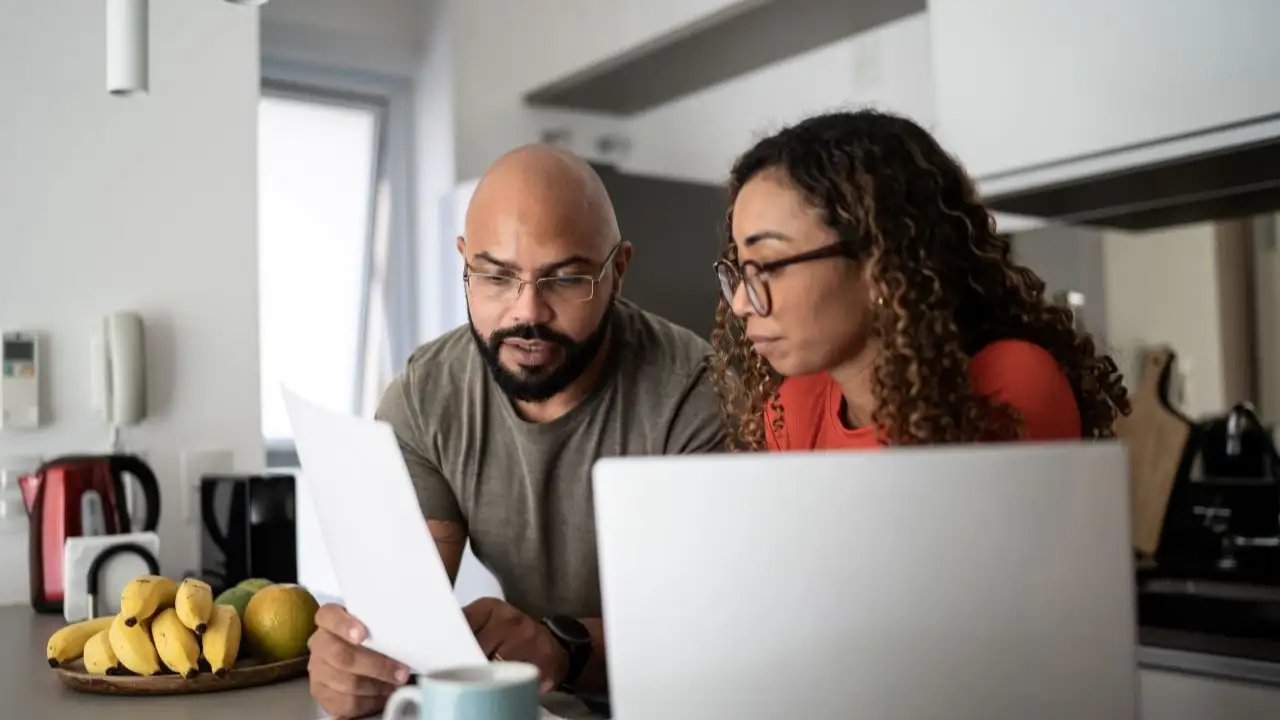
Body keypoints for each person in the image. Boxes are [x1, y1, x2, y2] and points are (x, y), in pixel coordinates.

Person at [307, 145, 727, 719]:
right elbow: (401, 617)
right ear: (463, 261)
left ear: (618, 271)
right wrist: (357, 662)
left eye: (565, 278)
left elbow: (713, 627)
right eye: (496, 276)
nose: (527, 313)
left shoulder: (692, 393)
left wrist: (562, 645)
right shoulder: (426, 398)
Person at [708, 110, 1130, 452]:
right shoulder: (794, 407)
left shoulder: (1007, 381)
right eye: (740, 269)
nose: (743, 302)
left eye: (769, 264)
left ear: (879, 263)